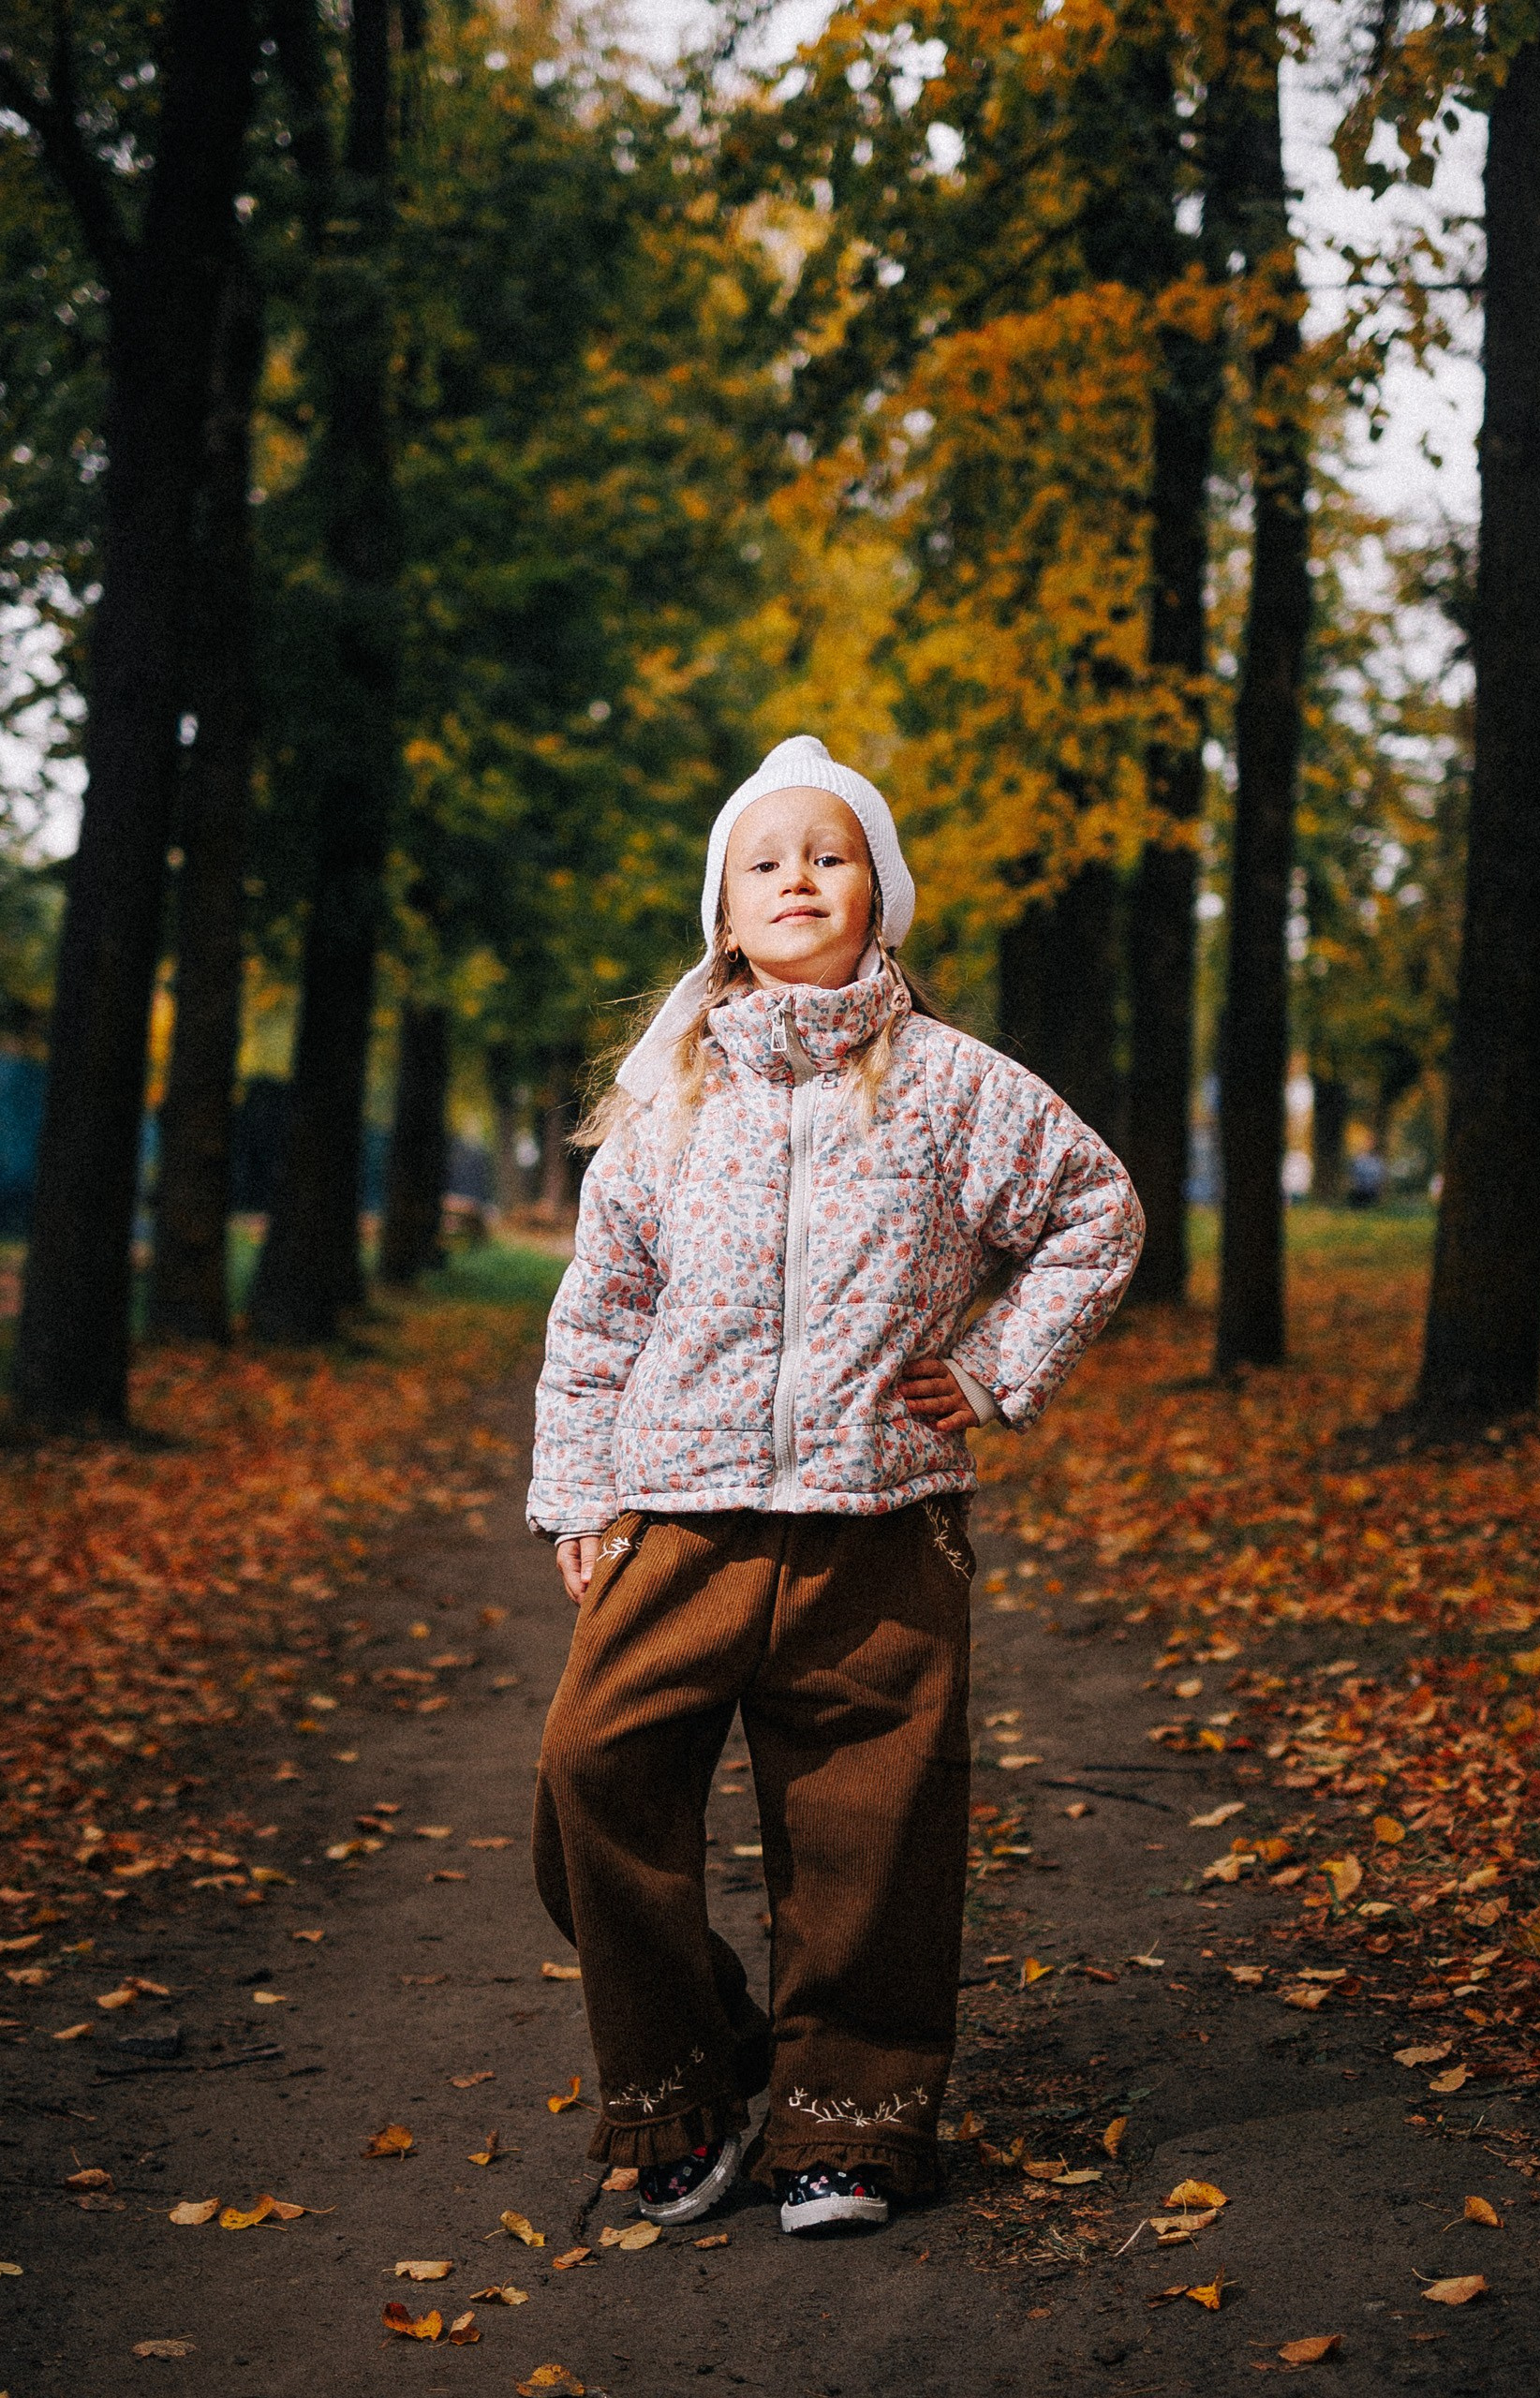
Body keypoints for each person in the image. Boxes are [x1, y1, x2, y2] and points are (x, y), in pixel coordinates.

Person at [526, 734, 1144, 2237]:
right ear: (724, 913)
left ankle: (847, 2124)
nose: (798, 875)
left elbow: (1096, 1212)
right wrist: (579, 1499)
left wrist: (997, 1370)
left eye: (831, 852)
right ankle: (692, 2079)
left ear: (881, 895)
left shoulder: (952, 1088)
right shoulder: (667, 1103)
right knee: (589, 1776)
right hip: (684, 1517)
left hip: (883, 1526)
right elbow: (600, 1316)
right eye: (765, 859)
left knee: (871, 1831)